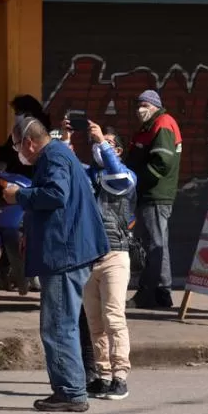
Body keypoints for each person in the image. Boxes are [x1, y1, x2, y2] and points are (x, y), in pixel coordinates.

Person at [3, 117, 108, 413]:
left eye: (17, 146)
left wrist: (18, 195)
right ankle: (70, 388)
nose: (18, 152)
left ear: (29, 143)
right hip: (68, 250)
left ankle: (71, 392)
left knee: (58, 325)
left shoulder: (55, 157)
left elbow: (55, 195)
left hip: (66, 254)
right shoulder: (58, 155)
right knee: (63, 323)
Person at [60, 120, 136, 399]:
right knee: (95, 322)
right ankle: (103, 375)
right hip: (89, 256)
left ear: (118, 150)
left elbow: (115, 172)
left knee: (114, 317)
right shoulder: (89, 175)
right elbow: (68, 164)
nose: (99, 149)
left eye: (108, 144)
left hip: (116, 255)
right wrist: (67, 138)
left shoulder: (126, 175)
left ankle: (120, 376)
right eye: (95, 145)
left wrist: (101, 140)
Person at [0, 94, 52, 295]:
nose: (16, 116)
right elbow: (7, 153)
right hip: (13, 184)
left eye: (19, 112)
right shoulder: (18, 133)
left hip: (28, 188)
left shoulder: (38, 133)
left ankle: (28, 274)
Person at [125, 89, 181, 310]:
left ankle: (149, 293)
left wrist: (137, 182)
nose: (140, 109)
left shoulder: (163, 124)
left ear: (154, 106)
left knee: (154, 244)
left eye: (144, 105)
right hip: (152, 194)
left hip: (154, 194)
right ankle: (161, 292)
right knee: (159, 243)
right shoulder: (151, 126)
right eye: (138, 105)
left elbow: (162, 162)